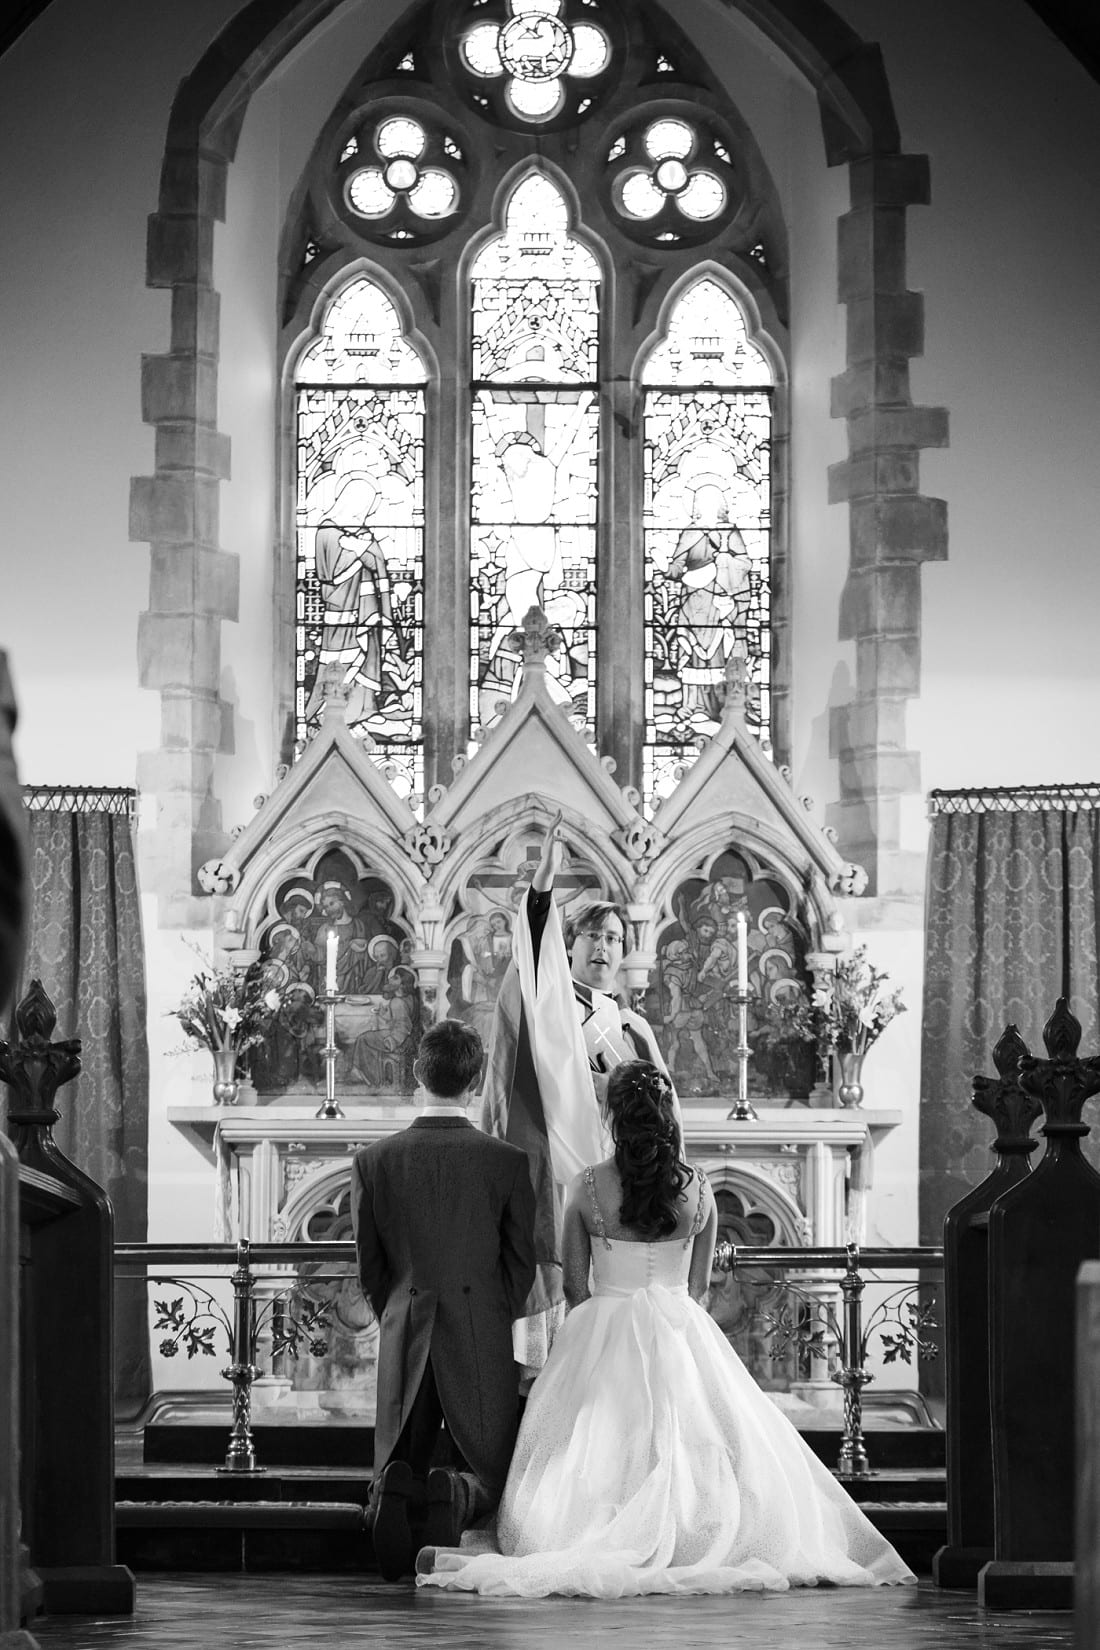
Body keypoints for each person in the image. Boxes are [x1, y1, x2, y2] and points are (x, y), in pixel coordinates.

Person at [417, 1060, 915, 1598]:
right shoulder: (700, 1190)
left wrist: (602, 1324)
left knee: (593, 1444)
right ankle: (694, 1529)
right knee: (694, 1437)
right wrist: (663, 1317)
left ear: (614, 1117)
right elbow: (699, 1287)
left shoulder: (585, 1188)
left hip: (602, 1327)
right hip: (681, 1330)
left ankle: (590, 1529)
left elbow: (574, 1286)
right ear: (666, 1116)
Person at [482, 811, 678, 1371]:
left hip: (625, 1188)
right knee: (568, 1341)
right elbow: (534, 940)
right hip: (563, 1177)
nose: (604, 947)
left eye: (615, 938)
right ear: (569, 945)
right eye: (593, 934)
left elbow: (665, 1113)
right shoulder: (554, 1005)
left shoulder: (633, 1025)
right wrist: (543, 883)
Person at [350, 1018, 537, 1581]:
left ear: (417, 1075)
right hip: (478, 1322)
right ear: (476, 1081)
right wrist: (488, 1308)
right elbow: (520, 1260)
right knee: (483, 1448)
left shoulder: (375, 1160)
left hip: (406, 1317)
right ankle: (455, 1493)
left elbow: (369, 1263)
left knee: (404, 1442)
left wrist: (399, 1306)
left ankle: (390, 1494)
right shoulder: (505, 1161)